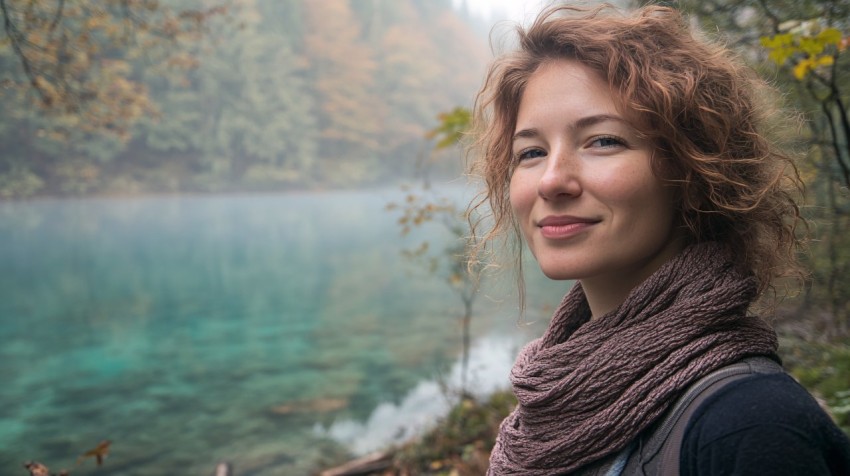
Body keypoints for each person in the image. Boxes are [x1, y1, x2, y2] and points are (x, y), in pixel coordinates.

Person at [468, 4, 850, 475]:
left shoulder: (750, 427)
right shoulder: (551, 401)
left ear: (692, 169)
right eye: (531, 152)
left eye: (603, 141)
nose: (551, 180)